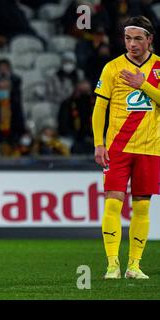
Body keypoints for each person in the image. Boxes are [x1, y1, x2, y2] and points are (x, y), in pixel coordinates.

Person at [92, 16, 160, 280]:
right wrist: (99, 143)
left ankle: (134, 266)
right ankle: (112, 265)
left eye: (138, 39)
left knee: (142, 207)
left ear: (149, 39)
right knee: (112, 204)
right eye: (128, 38)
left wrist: (142, 84)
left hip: (151, 147)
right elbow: (100, 108)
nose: (131, 44)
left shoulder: (158, 68)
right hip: (118, 148)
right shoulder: (112, 67)